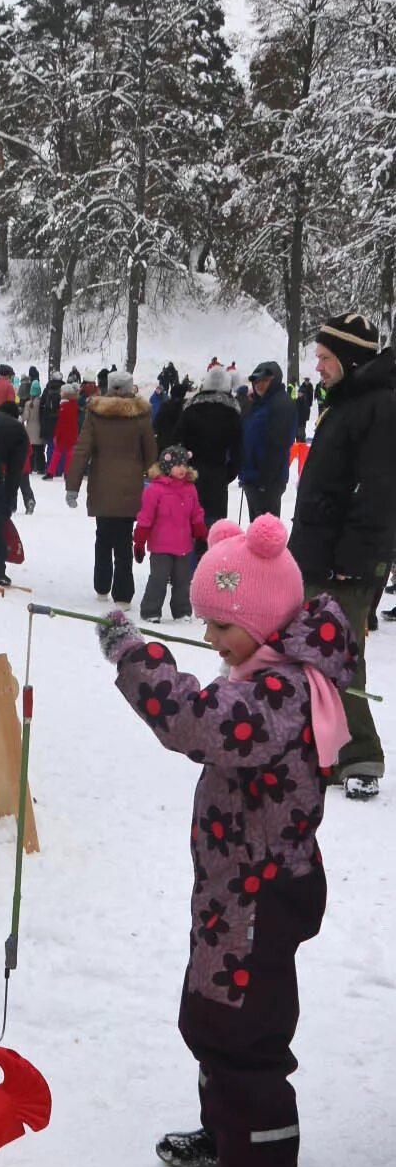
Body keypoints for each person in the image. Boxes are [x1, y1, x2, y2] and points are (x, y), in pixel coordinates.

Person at [99, 519, 354, 1167]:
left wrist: (133, 655)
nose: (209, 641)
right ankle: (228, 1134)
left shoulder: (279, 694)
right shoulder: (263, 675)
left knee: (244, 1037)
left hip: (259, 893)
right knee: (211, 1015)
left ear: (262, 618)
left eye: (219, 626)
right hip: (231, 891)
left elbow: (198, 725)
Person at [287, 312, 395, 801]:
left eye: (326, 358)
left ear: (349, 359)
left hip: (344, 559)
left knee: (342, 652)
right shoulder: (349, 402)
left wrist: (352, 557)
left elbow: (378, 491)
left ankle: (359, 755)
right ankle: (320, 746)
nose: (318, 367)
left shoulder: (379, 408)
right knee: (311, 649)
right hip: (320, 551)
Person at [64, 369, 155, 605]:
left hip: (102, 484)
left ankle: (102, 586)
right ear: (130, 387)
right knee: (124, 539)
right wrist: (157, 483)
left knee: (103, 536)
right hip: (130, 486)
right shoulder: (141, 415)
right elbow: (150, 453)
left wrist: (72, 485)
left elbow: (82, 450)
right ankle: (123, 595)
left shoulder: (96, 413)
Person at [171, 364, 242, 556]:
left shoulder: (190, 410)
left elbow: (176, 442)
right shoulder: (232, 413)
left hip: (191, 475)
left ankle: (188, 572)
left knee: (190, 525)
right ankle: (210, 570)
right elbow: (238, 449)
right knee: (214, 528)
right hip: (217, 475)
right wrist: (229, 473)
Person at [135, 452, 206, 621]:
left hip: (184, 545)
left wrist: (201, 534)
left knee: (182, 581)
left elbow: (196, 513)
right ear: (167, 467)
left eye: (184, 465)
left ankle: (182, 611)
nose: (182, 469)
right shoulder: (155, 490)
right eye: (177, 465)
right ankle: (151, 611)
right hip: (161, 546)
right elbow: (146, 516)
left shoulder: (190, 488)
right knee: (158, 579)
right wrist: (139, 541)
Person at [239, 360, 297, 522]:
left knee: (267, 533)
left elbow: (279, 445)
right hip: (251, 478)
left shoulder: (281, 403)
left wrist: (265, 480)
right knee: (256, 530)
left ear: (275, 380)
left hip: (267, 481)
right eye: (256, 381)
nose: (260, 385)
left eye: (265, 380)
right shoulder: (257, 405)